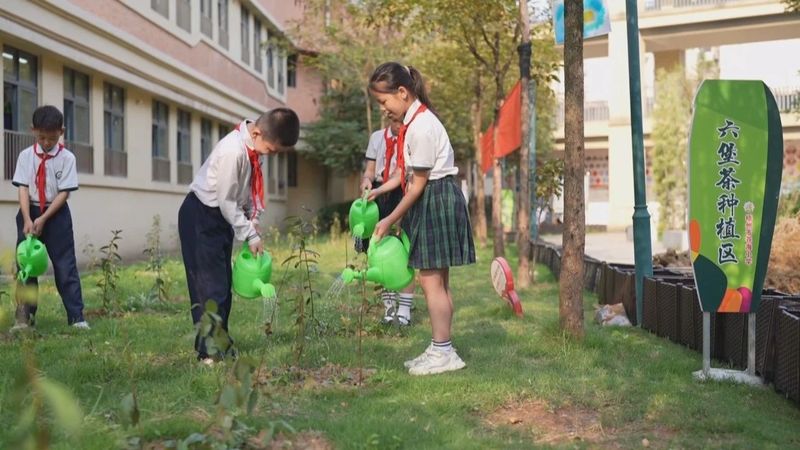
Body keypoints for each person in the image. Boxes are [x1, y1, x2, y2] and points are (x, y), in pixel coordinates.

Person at [367, 62, 476, 375]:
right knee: (437, 284)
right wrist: (380, 190)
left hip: (435, 200)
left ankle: (443, 352)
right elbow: (406, 173)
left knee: (432, 284)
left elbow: (416, 186)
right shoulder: (415, 122)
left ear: (402, 92)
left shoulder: (421, 127)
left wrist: (389, 220)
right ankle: (442, 347)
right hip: (432, 197)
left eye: (384, 101)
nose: (384, 109)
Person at [178, 108, 299, 364]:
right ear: (257, 132)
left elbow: (245, 193)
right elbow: (226, 201)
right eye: (272, 149)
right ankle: (207, 353)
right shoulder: (233, 151)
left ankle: (220, 342)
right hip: (201, 215)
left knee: (223, 285)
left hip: (221, 218)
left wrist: (253, 220)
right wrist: (250, 235)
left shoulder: (253, 150)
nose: (272, 154)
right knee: (209, 287)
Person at [11, 105, 88, 331]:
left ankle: (77, 318)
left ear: (61, 132)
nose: (46, 142)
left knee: (65, 266)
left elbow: (64, 193)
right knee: (26, 267)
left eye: (52, 138)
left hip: (56, 215)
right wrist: (27, 218)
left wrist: (44, 218)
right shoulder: (26, 156)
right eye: (42, 137)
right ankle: (24, 319)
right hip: (29, 212)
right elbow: (23, 188)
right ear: (33, 130)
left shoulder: (67, 158)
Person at [359, 119, 414, 326]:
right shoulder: (376, 137)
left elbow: (406, 174)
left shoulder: (410, 136)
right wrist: (366, 180)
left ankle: (405, 310)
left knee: (402, 252)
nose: (399, 123)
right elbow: (370, 170)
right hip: (378, 194)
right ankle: (389, 309)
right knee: (379, 253)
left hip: (404, 191)